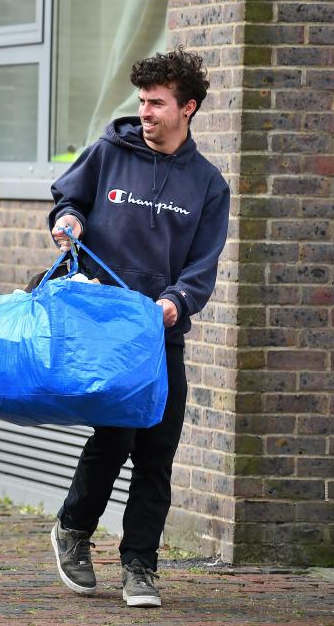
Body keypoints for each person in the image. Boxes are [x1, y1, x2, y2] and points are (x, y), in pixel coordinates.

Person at [47, 48, 229, 608]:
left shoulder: (207, 185)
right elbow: (67, 200)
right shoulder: (109, 151)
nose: (146, 112)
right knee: (114, 437)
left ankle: (140, 565)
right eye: (143, 102)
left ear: (188, 108)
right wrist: (68, 219)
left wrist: (174, 305)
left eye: (158, 103)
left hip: (158, 334)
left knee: (157, 449)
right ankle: (74, 530)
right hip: (103, 325)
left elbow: (202, 265)